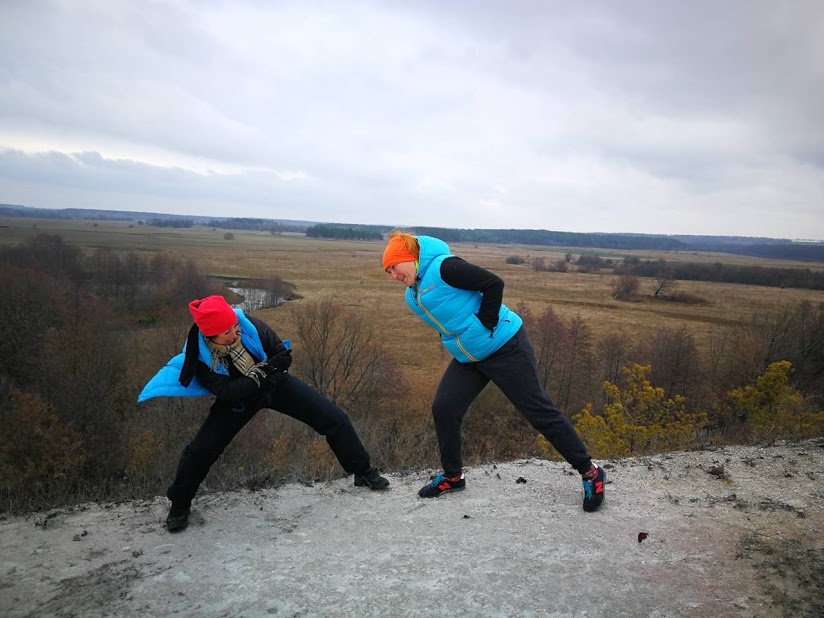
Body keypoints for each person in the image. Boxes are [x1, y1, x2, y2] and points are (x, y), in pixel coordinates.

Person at [382, 231, 605, 512]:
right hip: (470, 356)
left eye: (395, 267)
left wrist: (485, 325)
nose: (394, 276)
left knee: (537, 410)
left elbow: (493, 284)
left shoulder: (445, 268)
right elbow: (447, 321)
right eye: (388, 272)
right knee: (444, 408)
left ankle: (591, 473)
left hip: (504, 345)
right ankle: (453, 477)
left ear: (410, 258)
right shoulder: (412, 295)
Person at [138, 295, 389, 533]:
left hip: (275, 385)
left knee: (334, 418)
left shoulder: (250, 326)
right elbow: (227, 391)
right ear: (210, 335)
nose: (234, 334)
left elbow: (283, 356)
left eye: (234, 327)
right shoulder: (199, 356)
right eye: (226, 333)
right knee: (201, 450)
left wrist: (263, 374)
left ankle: (363, 472)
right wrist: (264, 372)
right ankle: (180, 505)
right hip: (237, 401)